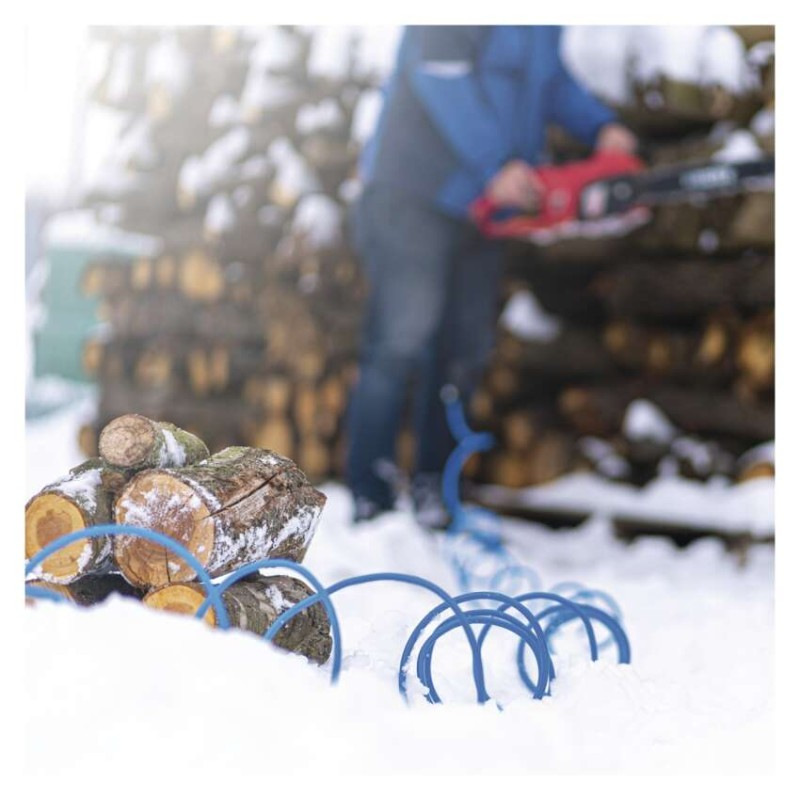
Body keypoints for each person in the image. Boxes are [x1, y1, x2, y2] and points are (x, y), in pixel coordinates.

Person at [347, 25, 637, 525]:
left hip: (480, 207)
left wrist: (600, 127)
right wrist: (494, 165)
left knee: (463, 349)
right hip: (415, 191)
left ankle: (437, 490)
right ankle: (372, 496)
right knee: (400, 339)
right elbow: (441, 76)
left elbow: (548, 80)